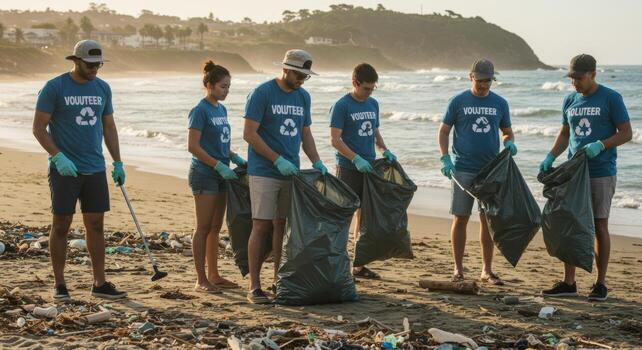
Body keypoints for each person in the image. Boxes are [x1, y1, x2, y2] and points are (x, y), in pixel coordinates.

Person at [32, 40, 127, 300]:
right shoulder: (55, 87)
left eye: (99, 64)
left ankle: (99, 283)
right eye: (90, 64)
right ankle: (60, 284)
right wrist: (57, 156)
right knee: (61, 224)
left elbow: (109, 127)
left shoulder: (103, 88)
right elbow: (39, 128)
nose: (95, 68)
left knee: (96, 224)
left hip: (94, 167)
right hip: (64, 170)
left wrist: (117, 162)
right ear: (76, 61)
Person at [540, 54, 632, 301]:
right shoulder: (570, 99)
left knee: (599, 225)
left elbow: (626, 133)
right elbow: (565, 133)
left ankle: (600, 284)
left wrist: (601, 145)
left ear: (593, 73)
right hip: (574, 172)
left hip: (601, 171)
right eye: (572, 78)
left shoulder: (611, 98)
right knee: (571, 223)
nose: (575, 84)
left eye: (579, 78)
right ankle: (569, 282)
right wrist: (550, 156)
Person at [243, 49, 327, 304]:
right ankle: (254, 286)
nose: (303, 80)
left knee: (282, 225)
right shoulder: (262, 93)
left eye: (306, 76)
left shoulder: (303, 97)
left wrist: (317, 160)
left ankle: (280, 280)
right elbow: (250, 134)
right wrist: (276, 159)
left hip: (291, 171)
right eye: (300, 74)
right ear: (286, 69)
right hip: (264, 170)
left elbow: (305, 133)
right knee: (261, 225)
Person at [437, 58, 516, 286]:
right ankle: (458, 269)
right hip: (462, 168)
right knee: (460, 217)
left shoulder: (500, 103)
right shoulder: (458, 101)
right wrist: (445, 157)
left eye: (488, 81)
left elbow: (507, 132)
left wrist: (509, 142)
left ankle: (486, 270)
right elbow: (443, 131)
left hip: (490, 171)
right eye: (480, 80)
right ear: (471, 76)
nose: (484, 85)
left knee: (487, 220)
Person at [329, 63, 396, 279]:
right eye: (366, 88)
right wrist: (355, 158)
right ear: (355, 83)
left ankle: (358, 264)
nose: (369, 92)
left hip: (370, 166)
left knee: (364, 216)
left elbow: (375, 132)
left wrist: (384, 150)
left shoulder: (373, 104)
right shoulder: (342, 105)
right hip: (348, 167)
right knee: (344, 214)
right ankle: (338, 261)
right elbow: (335, 140)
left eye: (372, 88)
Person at [187, 60, 246, 293]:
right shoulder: (200, 110)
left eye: (229, 86)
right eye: (223, 86)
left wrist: (233, 157)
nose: (226, 91)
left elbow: (218, 143)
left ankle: (214, 274)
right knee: (202, 227)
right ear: (209, 85)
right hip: (204, 174)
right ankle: (201, 279)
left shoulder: (221, 109)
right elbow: (193, 146)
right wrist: (217, 166)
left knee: (215, 227)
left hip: (222, 173)